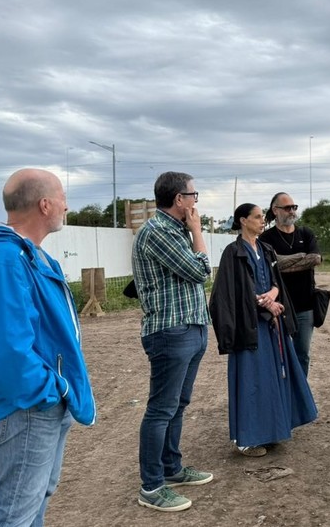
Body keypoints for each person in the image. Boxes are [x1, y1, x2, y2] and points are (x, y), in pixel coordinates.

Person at [0, 168, 96, 526]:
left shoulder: (31, 255)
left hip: (45, 401)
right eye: (62, 197)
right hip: (30, 405)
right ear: (45, 204)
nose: (67, 205)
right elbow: (5, 349)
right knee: (14, 511)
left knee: (33, 500)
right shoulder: (4, 260)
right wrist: (47, 392)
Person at [209, 203, 318, 457]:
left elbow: (276, 282)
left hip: (271, 325)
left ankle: (272, 431)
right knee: (251, 381)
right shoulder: (232, 253)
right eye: (258, 217)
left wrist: (272, 294)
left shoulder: (267, 249)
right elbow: (229, 293)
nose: (262, 221)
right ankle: (247, 440)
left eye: (262, 217)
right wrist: (263, 301)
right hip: (248, 327)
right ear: (243, 220)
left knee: (272, 377)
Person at [133, 172, 213, 512]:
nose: (196, 201)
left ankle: (172, 468)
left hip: (191, 326)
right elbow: (200, 271)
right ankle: (151, 487)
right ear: (179, 199)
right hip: (170, 330)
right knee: (161, 409)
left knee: (178, 404)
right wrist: (197, 232)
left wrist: (192, 231)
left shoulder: (175, 230)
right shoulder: (159, 232)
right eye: (193, 195)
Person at [259, 192, 322, 376]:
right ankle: (282, 393)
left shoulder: (305, 233)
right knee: (279, 354)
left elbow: (316, 259)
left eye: (294, 207)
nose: (292, 211)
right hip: (278, 306)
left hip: (305, 306)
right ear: (275, 210)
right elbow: (270, 266)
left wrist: (280, 264)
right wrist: (300, 257)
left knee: (302, 354)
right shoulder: (266, 238)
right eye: (287, 208)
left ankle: (299, 395)